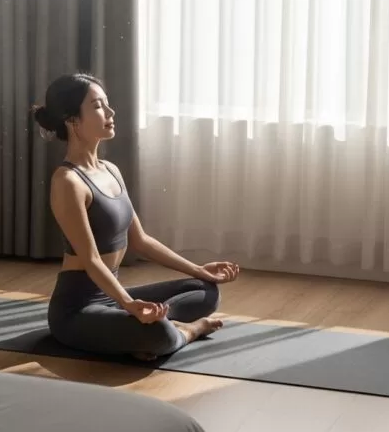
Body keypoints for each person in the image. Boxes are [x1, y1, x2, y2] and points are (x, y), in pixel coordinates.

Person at [32, 73, 239, 360]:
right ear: (72, 120)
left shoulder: (111, 170)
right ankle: (186, 330)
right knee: (160, 336)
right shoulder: (68, 181)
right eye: (97, 106)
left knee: (206, 290)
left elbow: (140, 241)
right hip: (77, 310)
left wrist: (199, 270)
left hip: (112, 295)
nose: (110, 112)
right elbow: (91, 260)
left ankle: (148, 326)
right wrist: (130, 304)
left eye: (107, 103)